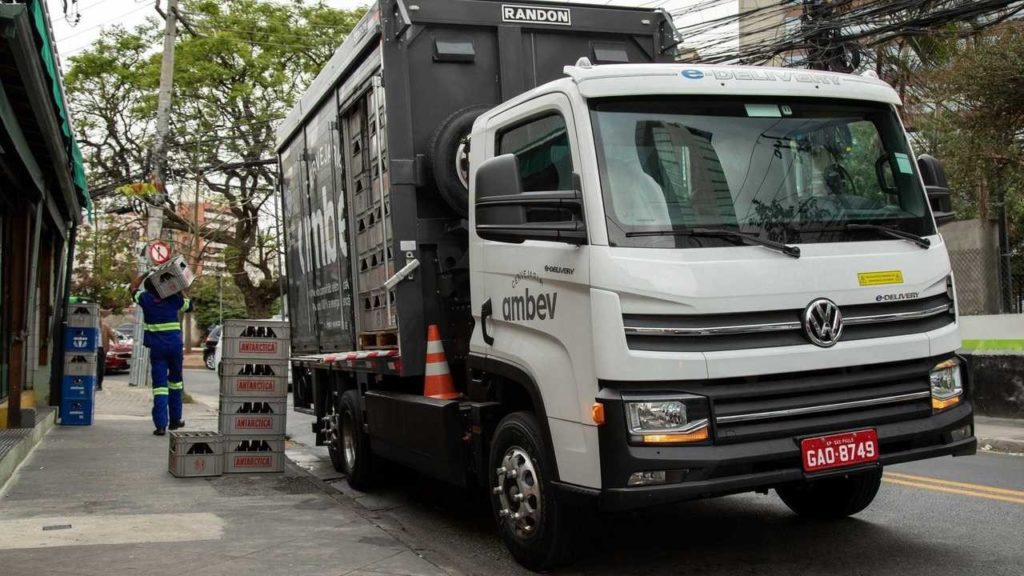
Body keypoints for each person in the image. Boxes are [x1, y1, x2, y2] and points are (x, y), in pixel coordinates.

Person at [129, 274, 193, 436]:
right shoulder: (174, 299)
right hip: (174, 348)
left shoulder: (145, 299)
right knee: (176, 384)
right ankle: (175, 420)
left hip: (157, 349)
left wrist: (143, 275)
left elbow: (133, 288)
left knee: (159, 388)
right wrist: (178, 287)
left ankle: (160, 426)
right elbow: (190, 306)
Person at [98, 310, 115, 391]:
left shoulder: (105, 326)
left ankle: (99, 384)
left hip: (102, 349)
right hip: (93, 349)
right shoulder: (92, 326)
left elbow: (112, 335)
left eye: (100, 317)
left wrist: (115, 341)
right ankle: (94, 384)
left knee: (100, 367)